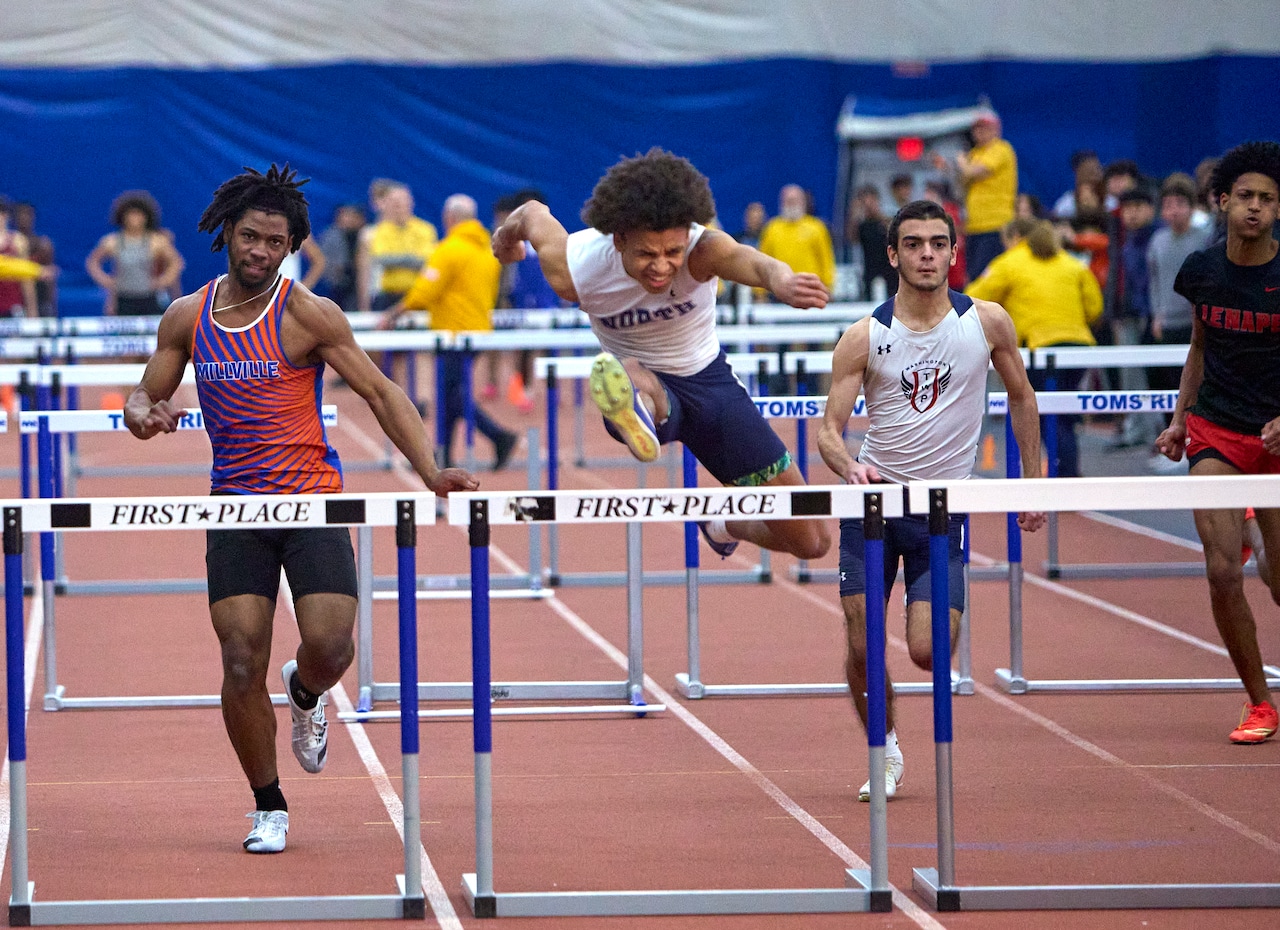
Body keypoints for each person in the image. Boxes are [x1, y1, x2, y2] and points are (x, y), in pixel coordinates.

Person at [122, 164, 478, 854]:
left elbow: (379, 392)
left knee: (330, 646)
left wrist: (430, 470)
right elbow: (144, 397)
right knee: (237, 659)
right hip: (235, 509)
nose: (260, 251)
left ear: (291, 247)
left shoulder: (307, 313)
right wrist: (144, 414)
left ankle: (307, 692)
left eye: (275, 242)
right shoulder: (187, 316)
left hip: (312, 501)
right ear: (227, 233)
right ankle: (269, 804)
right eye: (251, 236)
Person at [491, 148, 831, 561]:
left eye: (672, 252)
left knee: (812, 540)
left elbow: (755, 263)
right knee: (632, 373)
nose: (662, 266)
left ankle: (721, 523)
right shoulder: (576, 267)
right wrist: (506, 238)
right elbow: (531, 213)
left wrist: (784, 281)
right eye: (647, 254)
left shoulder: (703, 249)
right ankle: (635, 409)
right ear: (618, 239)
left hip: (712, 389)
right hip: (645, 384)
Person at [819, 199, 1045, 801]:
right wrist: (850, 466)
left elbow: (1022, 398)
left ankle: (924, 637)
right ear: (893, 254)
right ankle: (884, 749)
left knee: (926, 652)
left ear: (952, 252)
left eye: (937, 243)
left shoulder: (988, 323)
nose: (926, 253)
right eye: (913, 243)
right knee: (861, 635)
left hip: (942, 512)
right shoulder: (865, 336)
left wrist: (1033, 481)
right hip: (874, 506)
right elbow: (827, 430)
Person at [1154, 140, 1280, 745]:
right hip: (1217, 433)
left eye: (1268, 199)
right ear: (1223, 201)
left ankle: (1259, 528)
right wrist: (1181, 418)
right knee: (1222, 572)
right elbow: (1200, 347)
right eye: (1246, 197)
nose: (1255, 208)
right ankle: (1259, 703)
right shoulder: (1201, 271)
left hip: (1277, 441)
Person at [386, 193, 520, 470]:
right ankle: (444, 453)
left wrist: (394, 314)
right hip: (478, 330)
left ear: (449, 218)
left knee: (453, 395)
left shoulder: (449, 249)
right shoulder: (486, 249)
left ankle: (499, 436)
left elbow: (424, 292)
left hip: (453, 333)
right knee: (450, 394)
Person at [966, 217, 1103, 477]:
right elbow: (1095, 307)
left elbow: (973, 297)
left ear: (1015, 237)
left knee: (1043, 413)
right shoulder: (1073, 264)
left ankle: (1065, 476)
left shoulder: (1008, 263)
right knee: (1063, 413)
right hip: (1079, 346)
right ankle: (1067, 472)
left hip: (1039, 348)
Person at [934, 112, 1017, 280]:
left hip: (995, 224)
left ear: (995, 129)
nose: (979, 132)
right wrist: (948, 168)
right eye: (977, 128)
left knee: (987, 275)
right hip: (974, 226)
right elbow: (961, 184)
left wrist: (960, 162)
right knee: (974, 275)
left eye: (984, 127)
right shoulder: (975, 154)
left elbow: (972, 171)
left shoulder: (1001, 149)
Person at [86, 190, 185, 316]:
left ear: (146, 216)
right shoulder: (112, 241)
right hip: (123, 297)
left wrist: (163, 281)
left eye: (139, 215)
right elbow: (93, 262)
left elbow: (176, 262)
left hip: (149, 296)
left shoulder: (156, 241)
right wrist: (107, 281)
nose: (135, 219)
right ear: (123, 216)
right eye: (131, 215)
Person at [316, 203, 366, 312]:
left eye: (354, 216)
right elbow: (323, 262)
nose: (350, 219)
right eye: (346, 215)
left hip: (363, 284)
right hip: (337, 286)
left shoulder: (368, 235)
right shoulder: (330, 237)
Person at [852, 185, 897, 300]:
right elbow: (852, 239)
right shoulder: (862, 226)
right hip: (870, 271)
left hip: (889, 271)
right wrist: (855, 214)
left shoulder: (886, 222)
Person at [13, 202, 55, 316]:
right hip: (14, 300)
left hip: (40, 296)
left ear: (33, 217)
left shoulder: (43, 244)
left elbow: (50, 279)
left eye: (27, 214)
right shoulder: (10, 243)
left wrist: (52, 304)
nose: (24, 218)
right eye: (20, 214)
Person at [0, 199, 35, 317]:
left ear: (6, 216)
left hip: (12, 305)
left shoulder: (18, 241)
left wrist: (32, 310)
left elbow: (26, 278)